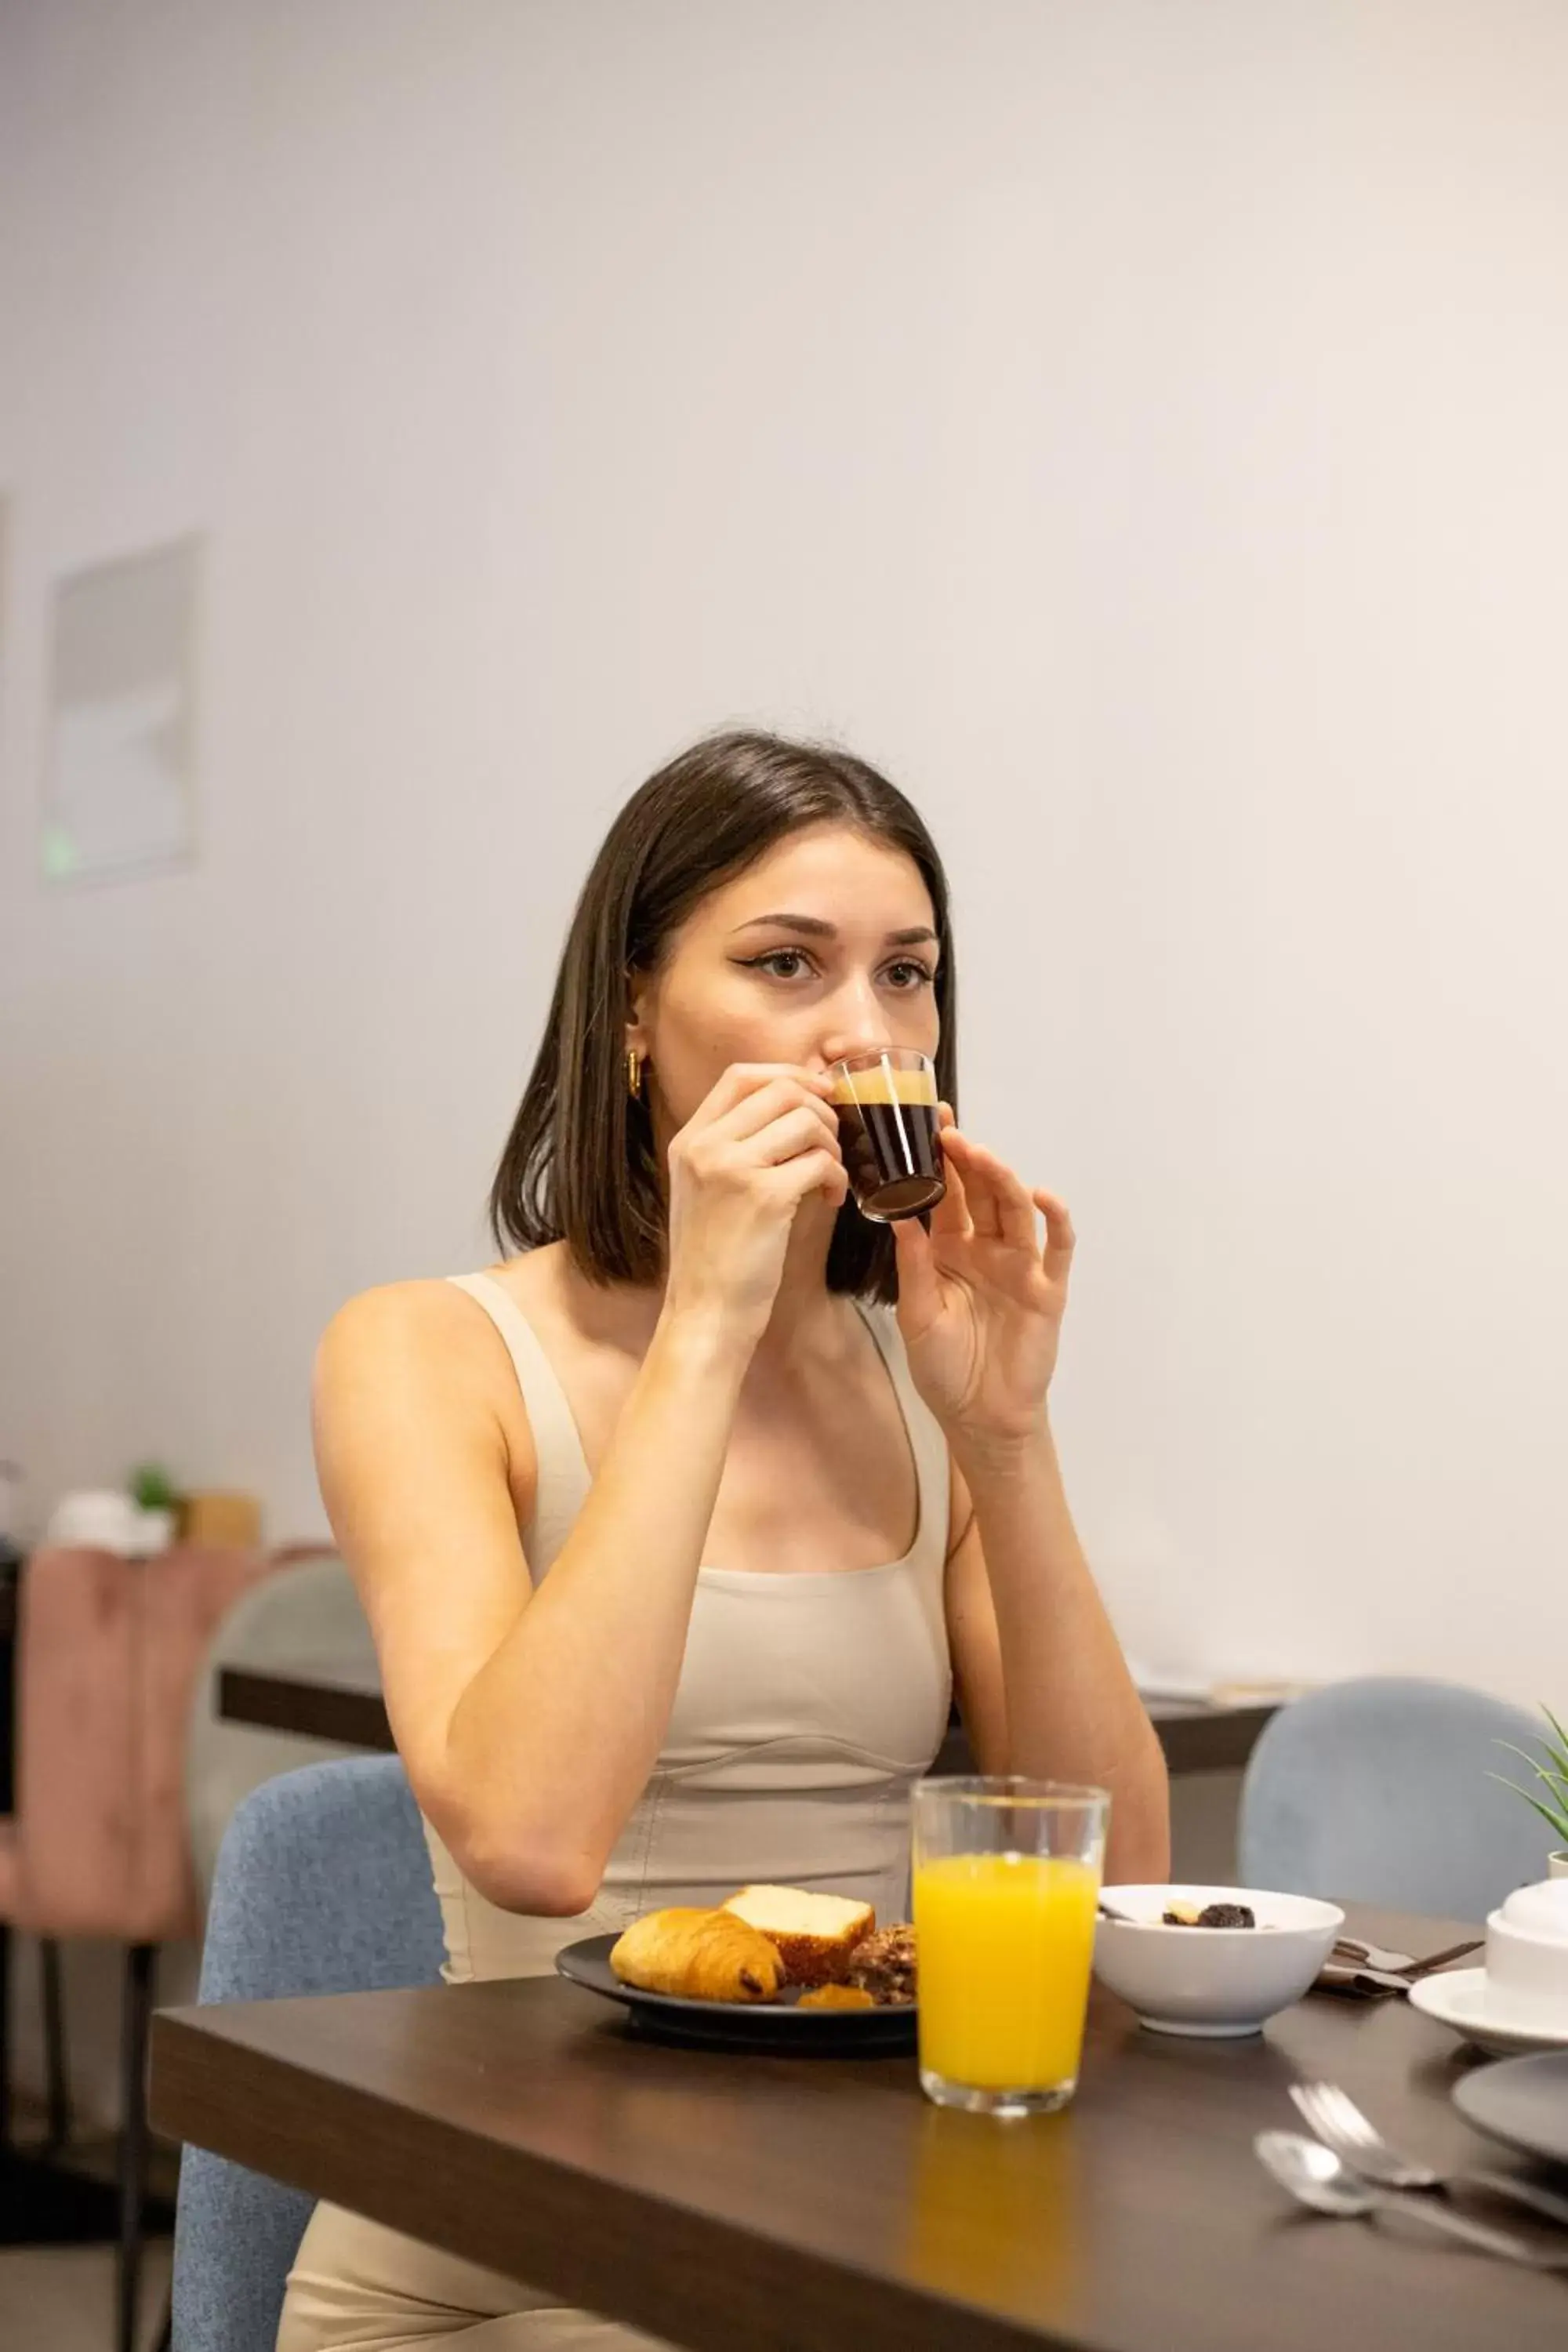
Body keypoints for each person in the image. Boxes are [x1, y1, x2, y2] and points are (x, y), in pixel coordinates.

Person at [278, 731, 1169, 2350]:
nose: (861, 1030)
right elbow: (535, 1842)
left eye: (908, 978)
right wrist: (707, 1323)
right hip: (531, 2250)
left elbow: (1122, 1883)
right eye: (785, 965)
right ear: (631, 1016)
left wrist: (1005, 1438)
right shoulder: (422, 1353)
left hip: (858, 2220)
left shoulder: (915, 1377)